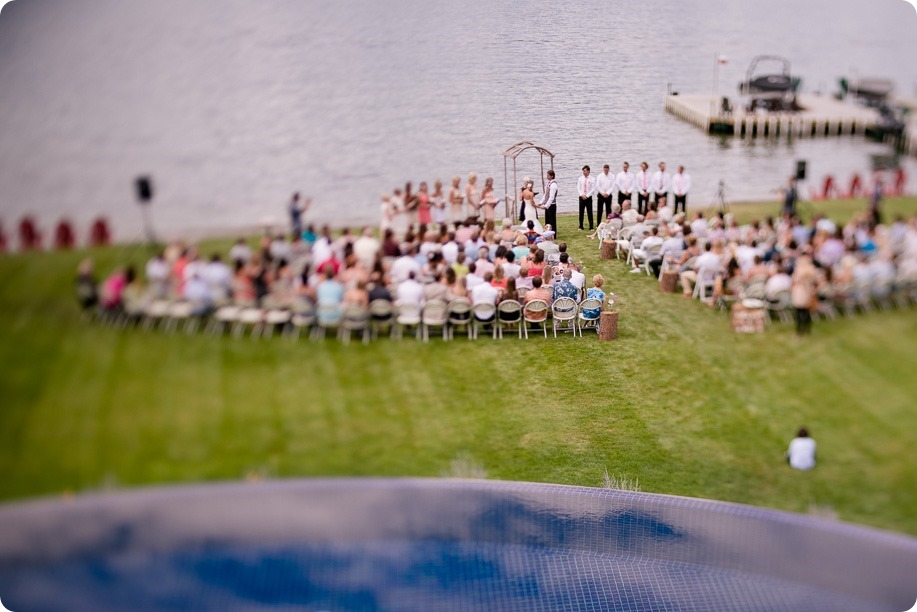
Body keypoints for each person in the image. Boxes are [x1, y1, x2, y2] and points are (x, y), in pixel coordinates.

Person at [540, 170, 559, 237]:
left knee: (552, 221)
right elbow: (546, 194)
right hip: (547, 205)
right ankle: (547, 233)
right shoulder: (548, 183)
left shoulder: (553, 185)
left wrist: (546, 206)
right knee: (547, 220)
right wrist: (541, 202)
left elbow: (551, 197)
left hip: (552, 205)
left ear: (552, 176)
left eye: (548, 175)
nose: (547, 176)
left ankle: (553, 234)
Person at [577, 165, 596, 231]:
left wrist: (587, 196)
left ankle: (591, 227)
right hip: (581, 197)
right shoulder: (580, 178)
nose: (584, 172)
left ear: (588, 171)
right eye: (583, 171)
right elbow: (578, 187)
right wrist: (581, 194)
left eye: (585, 171)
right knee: (581, 212)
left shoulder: (592, 179)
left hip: (588, 198)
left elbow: (593, 189)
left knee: (589, 212)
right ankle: (580, 226)